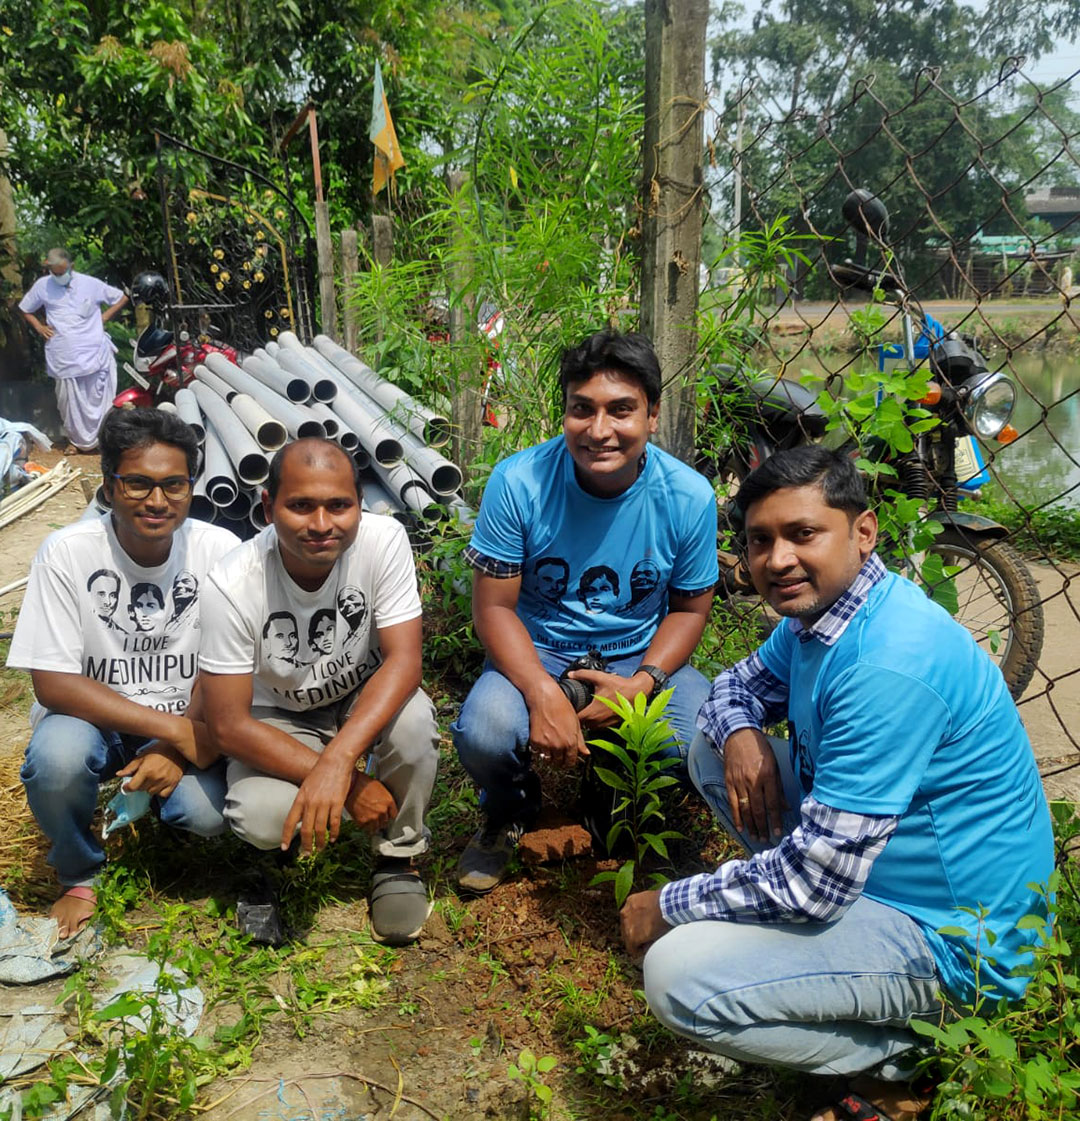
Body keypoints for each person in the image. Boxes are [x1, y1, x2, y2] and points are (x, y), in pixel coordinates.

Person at [622, 446, 1054, 1121]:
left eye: (802, 534)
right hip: (873, 877)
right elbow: (733, 687)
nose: (778, 559)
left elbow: (811, 886)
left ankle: (909, 1058)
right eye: (760, 540)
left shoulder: (889, 661)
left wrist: (670, 903)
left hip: (955, 940)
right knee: (712, 745)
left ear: (864, 531)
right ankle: (821, 969)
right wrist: (740, 736)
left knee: (679, 977)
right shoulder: (825, 613)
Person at [453, 330, 719, 894]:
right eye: (582, 410)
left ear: (652, 414)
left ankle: (610, 796)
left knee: (695, 736)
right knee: (486, 731)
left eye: (621, 410)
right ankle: (511, 807)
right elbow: (495, 609)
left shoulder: (689, 496)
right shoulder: (519, 482)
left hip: (634, 655)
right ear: (565, 412)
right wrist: (542, 693)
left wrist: (645, 681)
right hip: (539, 650)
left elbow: (690, 609)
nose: (600, 431)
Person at [7, 408, 239, 937]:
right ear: (109, 486)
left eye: (173, 485)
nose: (157, 501)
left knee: (206, 816)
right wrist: (178, 735)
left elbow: (229, 664)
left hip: (189, 716)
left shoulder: (220, 551)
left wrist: (173, 746)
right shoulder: (67, 553)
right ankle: (79, 871)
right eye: (137, 483)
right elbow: (55, 684)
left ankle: (153, 807)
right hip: (95, 721)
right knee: (57, 760)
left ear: (190, 487)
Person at [198, 438, 439, 946]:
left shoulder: (383, 540)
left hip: (359, 696)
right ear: (268, 508)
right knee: (260, 815)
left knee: (414, 721)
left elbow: (404, 660)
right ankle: (281, 853)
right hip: (280, 714)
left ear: (359, 504)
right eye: (300, 505)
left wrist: (339, 761)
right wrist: (350, 784)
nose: (322, 524)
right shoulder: (231, 582)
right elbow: (227, 725)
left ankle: (398, 855)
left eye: (339, 505)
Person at [18, 249, 128, 454]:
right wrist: (39, 327)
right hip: (63, 353)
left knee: (98, 396)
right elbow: (25, 308)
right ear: (48, 269)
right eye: (55, 273)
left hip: (93, 351)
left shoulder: (90, 283)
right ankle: (75, 441)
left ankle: (103, 439)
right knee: (67, 401)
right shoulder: (43, 286)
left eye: (62, 272)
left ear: (72, 267)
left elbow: (121, 298)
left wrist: (103, 317)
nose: (59, 277)